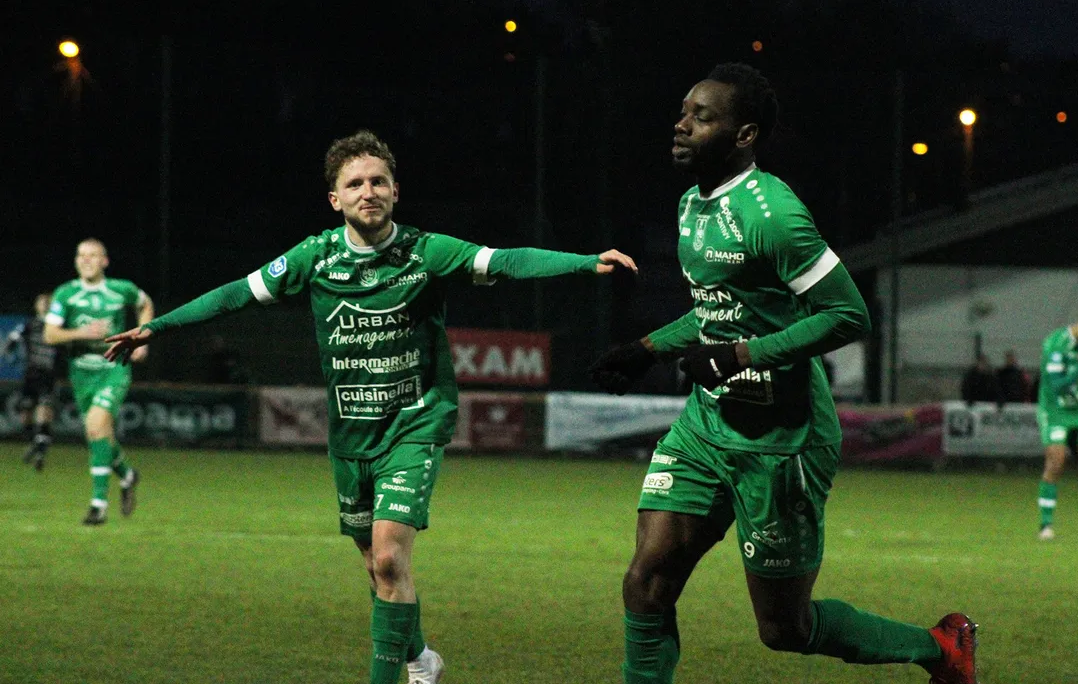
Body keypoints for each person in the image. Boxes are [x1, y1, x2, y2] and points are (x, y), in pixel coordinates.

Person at [104, 129, 637, 684]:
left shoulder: (427, 251)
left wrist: (581, 262)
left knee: (388, 559)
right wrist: (154, 328)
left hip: (415, 422)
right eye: (355, 183)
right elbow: (236, 294)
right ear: (335, 199)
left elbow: (505, 260)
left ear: (395, 191)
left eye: (378, 181)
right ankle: (422, 658)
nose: (369, 191)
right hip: (352, 434)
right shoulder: (313, 257)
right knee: (375, 568)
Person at [588, 62, 977, 684]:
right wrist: (649, 346)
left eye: (702, 116)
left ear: (744, 135)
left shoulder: (773, 214)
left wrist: (740, 356)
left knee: (783, 629)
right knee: (646, 582)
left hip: (782, 443)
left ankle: (940, 647)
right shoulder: (693, 203)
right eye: (683, 111)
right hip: (707, 429)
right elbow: (723, 313)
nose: (682, 124)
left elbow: (847, 315)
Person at [44, 239, 152, 525]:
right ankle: (128, 475)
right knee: (98, 434)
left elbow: (145, 303)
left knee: (95, 424)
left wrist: (143, 337)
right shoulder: (66, 293)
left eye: (93, 255)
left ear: (105, 261)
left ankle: (98, 506)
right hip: (81, 373)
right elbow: (50, 335)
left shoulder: (121, 289)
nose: (86, 260)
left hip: (113, 369)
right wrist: (81, 332)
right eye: (81, 255)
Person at [1035, 308, 1078, 541]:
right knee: (1056, 462)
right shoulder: (1055, 343)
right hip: (1054, 410)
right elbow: (1057, 387)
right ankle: (1045, 525)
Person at [3, 293, 60, 471]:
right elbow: (13, 338)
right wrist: (9, 353)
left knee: (44, 411)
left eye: (47, 303)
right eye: (41, 303)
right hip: (31, 374)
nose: (43, 305)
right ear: (36, 306)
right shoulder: (30, 324)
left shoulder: (57, 326)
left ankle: (40, 451)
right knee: (26, 414)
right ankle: (35, 443)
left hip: (48, 375)